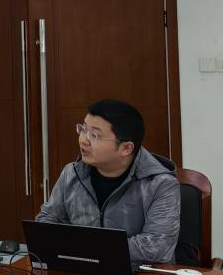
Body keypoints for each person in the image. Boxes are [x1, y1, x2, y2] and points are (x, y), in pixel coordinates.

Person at [35, 98, 179, 264]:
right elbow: (46, 222)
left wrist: (86, 247)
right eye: (83, 129)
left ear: (126, 148)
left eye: (94, 135)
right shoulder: (72, 173)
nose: (83, 140)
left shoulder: (160, 184)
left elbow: (157, 247)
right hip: (81, 271)